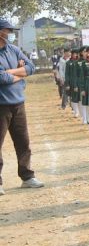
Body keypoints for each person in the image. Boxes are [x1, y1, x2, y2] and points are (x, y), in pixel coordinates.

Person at [0, 18, 44, 195]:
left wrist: (11, 72)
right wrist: (20, 73)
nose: (10, 34)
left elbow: (31, 67)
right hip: (1, 107)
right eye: (7, 31)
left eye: (10, 31)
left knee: (23, 142)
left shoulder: (13, 49)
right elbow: (1, 79)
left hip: (18, 104)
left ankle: (27, 176)